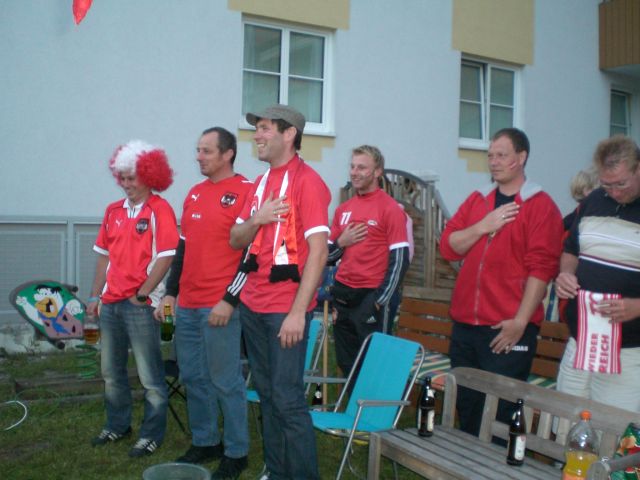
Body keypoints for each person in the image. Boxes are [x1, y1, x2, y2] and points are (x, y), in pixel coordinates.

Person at [440, 128, 563, 436]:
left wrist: (520, 321)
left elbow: (542, 269)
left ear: (521, 158)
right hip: (466, 326)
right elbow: (449, 246)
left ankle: (495, 462)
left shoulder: (540, 205)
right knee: (467, 405)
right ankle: (466, 459)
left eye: (501, 155)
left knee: (500, 413)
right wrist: (482, 226)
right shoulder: (478, 199)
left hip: (506, 328)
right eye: (490, 155)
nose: (493, 161)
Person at [231, 104, 330, 479]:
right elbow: (235, 238)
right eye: (256, 128)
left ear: (289, 134)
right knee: (268, 396)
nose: (256, 135)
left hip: (284, 309)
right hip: (252, 306)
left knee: (287, 399)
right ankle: (276, 471)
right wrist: (257, 219)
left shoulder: (308, 182)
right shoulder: (259, 184)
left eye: (265, 128)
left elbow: (318, 253)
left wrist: (298, 313)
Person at [156, 127, 251, 478]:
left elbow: (251, 254)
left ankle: (237, 452)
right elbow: (183, 248)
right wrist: (171, 291)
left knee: (225, 380)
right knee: (193, 377)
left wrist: (229, 300)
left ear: (227, 154)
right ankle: (206, 441)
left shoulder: (246, 191)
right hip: (188, 304)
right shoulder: (194, 193)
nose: (199, 156)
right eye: (198, 150)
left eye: (206, 151)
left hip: (219, 305)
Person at [87, 140, 179, 457]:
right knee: (111, 373)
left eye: (132, 178)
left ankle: (151, 435)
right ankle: (117, 425)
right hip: (110, 304)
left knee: (150, 377)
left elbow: (167, 256)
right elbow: (103, 257)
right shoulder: (112, 211)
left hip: (140, 306)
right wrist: (94, 295)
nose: (127, 184)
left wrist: (143, 293)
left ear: (150, 177)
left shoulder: (160, 209)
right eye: (122, 178)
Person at [555, 135, 640, 413]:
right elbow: (571, 250)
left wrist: (637, 306)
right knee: (565, 422)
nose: (613, 192)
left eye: (621, 184)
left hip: (628, 350)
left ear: (638, 169)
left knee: (613, 429)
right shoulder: (593, 201)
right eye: (606, 184)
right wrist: (566, 274)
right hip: (581, 339)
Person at [328, 145, 410, 376]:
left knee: (374, 364)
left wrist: (380, 300)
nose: (355, 172)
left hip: (371, 297)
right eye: (352, 167)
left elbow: (400, 259)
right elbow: (326, 257)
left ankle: (376, 401)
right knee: (347, 364)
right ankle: (353, 401)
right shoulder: (343, 209)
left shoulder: (390, 209)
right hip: (343, 296)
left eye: (362, 167)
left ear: (377, 172)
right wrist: (342, 242)